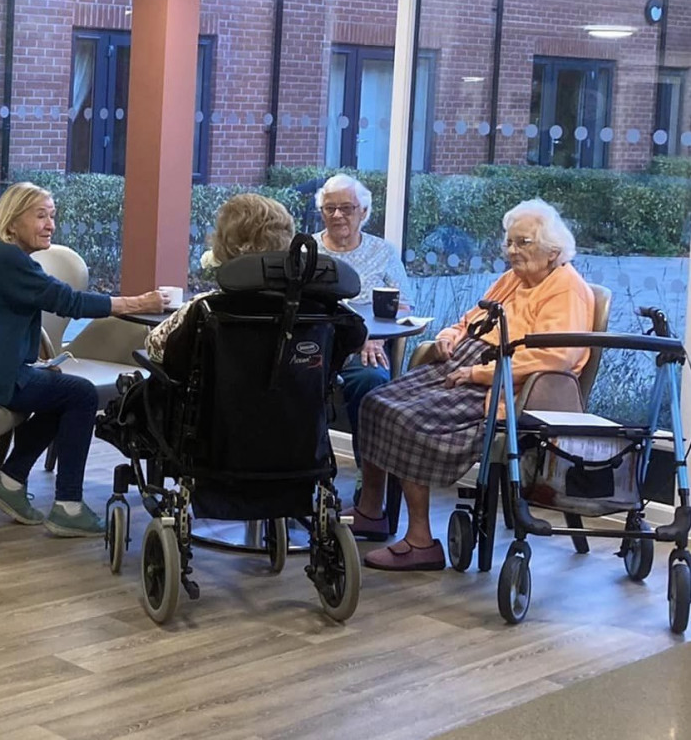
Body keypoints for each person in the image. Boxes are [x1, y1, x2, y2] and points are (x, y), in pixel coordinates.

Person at [350, 199, 594, 571]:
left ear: (553, 250)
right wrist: (448, 337)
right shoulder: (513, 280)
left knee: (406, 418)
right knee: (375, 401)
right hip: (462, 365)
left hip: (504, 387)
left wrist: (479, 373)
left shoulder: (566, 290)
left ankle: (420, 542)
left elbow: (552, 358)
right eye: (509, 242)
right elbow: (469, 320)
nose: (512, 251)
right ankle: (371, 511)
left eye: (523, 242)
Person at [0, 182, 166, 538]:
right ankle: (67, 506)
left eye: (52, 216)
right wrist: (138, 303)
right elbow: (68, 302)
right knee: (81, 394)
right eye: (40, 216)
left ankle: (11, 480)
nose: (50, 225)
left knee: (62, 391)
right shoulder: (7, 260)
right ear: (12, 221)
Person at [311, 173, 410, 463]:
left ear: (364, 212)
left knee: (372, 379)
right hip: (316, 345)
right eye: (330, 208)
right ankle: (302, 470)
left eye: (347, 208)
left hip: (366, 348)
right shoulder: (308, 251)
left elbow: (404, 306)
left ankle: (369, 475)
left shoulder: (383, 252)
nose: (337, 215)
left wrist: (374, 336)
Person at [147, 192, 295, 378]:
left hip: (219, 395)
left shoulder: (208, 307)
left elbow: (155, 346)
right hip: (294, 396)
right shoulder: (310, 307)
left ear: (225, 245)